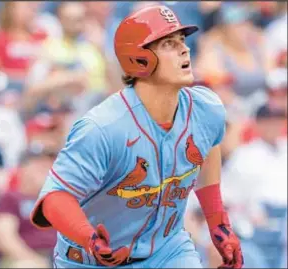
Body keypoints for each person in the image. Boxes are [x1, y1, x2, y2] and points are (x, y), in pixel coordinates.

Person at [30, 5, 243, 268]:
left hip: (167, 250)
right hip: (93, 259)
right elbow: (55, 198)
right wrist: (90, 239)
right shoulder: (103, 126)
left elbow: (207, 147)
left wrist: (218, 224)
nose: (184, 49)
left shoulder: (206, 108)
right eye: (168, 43)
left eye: (182, 41)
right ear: (139, 59)